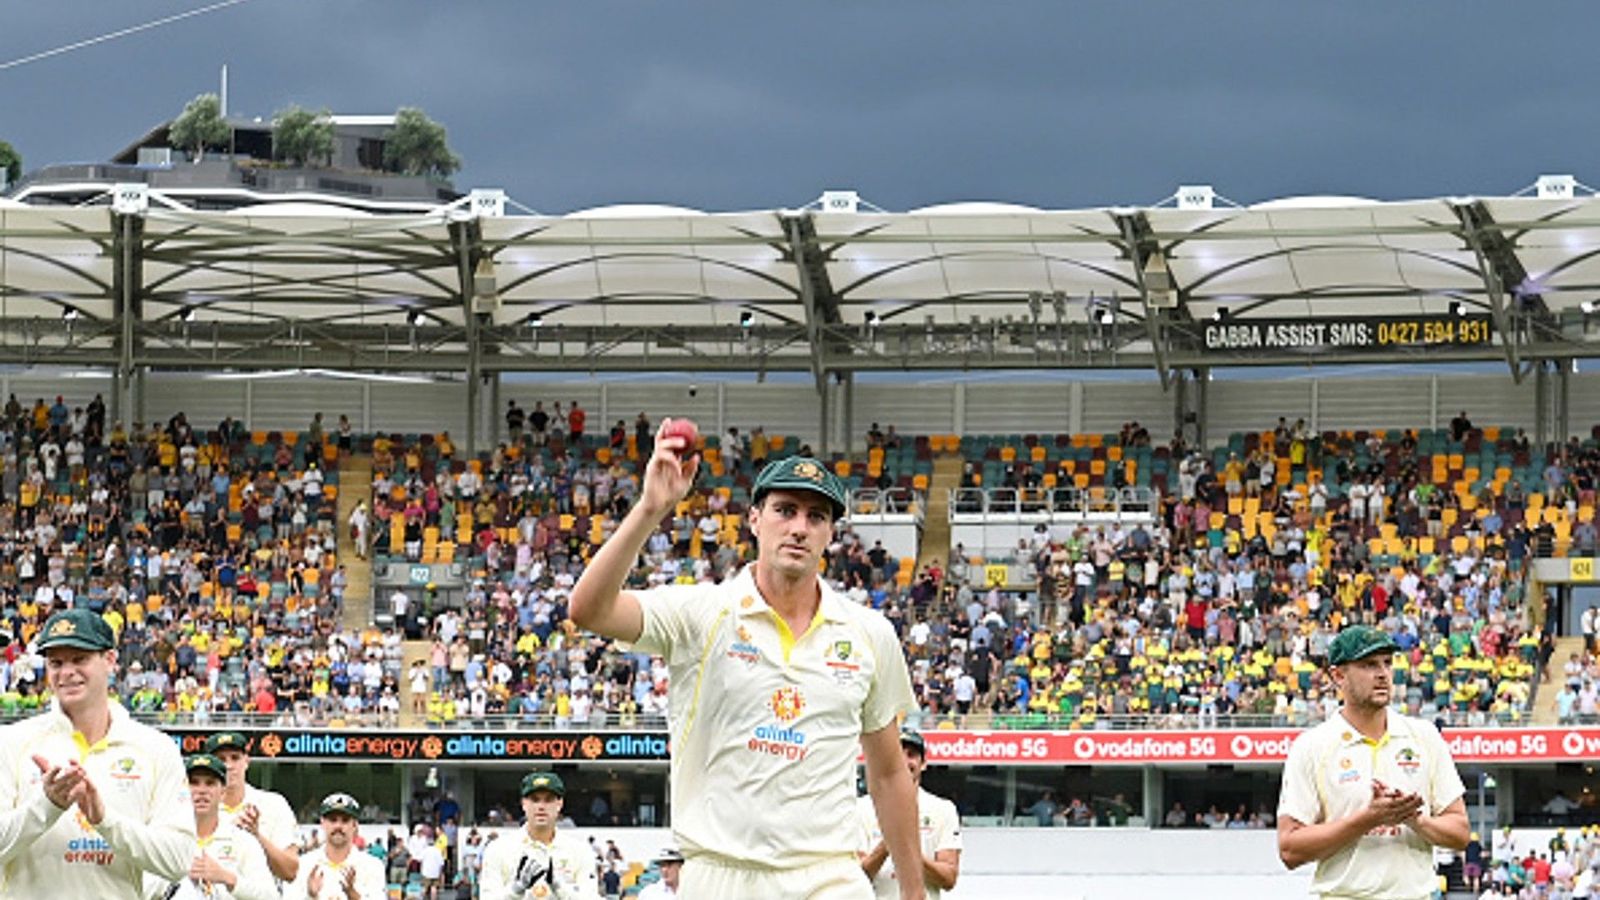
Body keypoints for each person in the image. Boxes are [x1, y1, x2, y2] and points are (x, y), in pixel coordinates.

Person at [570, 424, 925, 900]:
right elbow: (588, 610)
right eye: (785, 510)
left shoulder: (869, 633)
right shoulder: (700, 613)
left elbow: (886, 774)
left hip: (830, 876)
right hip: (720, 875)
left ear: (830, 533)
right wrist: (652, 507)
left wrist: (914, 895)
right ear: (755, 519)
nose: (799, 527)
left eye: (816, 516)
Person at [0, 608, 196, 898]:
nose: (66, 672)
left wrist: (105, 820)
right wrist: (46, 806)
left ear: (111, 660)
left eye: (80, 659)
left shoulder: (155, 748)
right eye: (56, 662)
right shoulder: (12, 742)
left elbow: (178, 861)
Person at [1277, 624, 1470, 898]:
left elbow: (1460, 832)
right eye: (1368, 665)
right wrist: (1367, 820)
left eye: (1387, 664)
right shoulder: (1311, 747)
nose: (1382, 674)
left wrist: (1415, 820)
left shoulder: (1424, 736)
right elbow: (1289, 849)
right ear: (1338, 676)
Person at [150, 753, 276, 900]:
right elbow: (140, 890)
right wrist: (176, 875)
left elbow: (270, 896)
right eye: (193, 782)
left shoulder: (243, 841)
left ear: (223, 791)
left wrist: (227, 878)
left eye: (210, 783)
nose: (201, 790)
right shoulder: (163, 838)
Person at [858, 729, 962, 898]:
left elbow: (949, 878)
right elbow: (857, 876)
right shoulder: (861, 808)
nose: (904, 762)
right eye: (897, 755)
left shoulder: (943, 809)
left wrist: (908, 851)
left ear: (923, 764)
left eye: (911, 755)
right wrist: (888, 843)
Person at [478, 771, 600, 899]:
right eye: (535, 800)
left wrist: (560, 888)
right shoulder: (498, 850)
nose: (541, 807)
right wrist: (515, 890)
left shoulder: (580, 851)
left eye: (548, 800)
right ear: (524, 804)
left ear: (559, 804)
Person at [207, 730, 301, 882]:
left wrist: (256, 836)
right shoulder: (197, 809)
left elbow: (290, 871)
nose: (229, 766)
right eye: (221, 759)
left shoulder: (274, 804)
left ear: (246, 762)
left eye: (235, 758)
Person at [285, 793, 387, 900]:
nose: (338, 826)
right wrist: (311, 896)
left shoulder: (372, 866)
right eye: (333, 820)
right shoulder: (304, 865)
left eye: (345, 820)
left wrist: (354, 896)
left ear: (355, 825)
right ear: (322, 823)